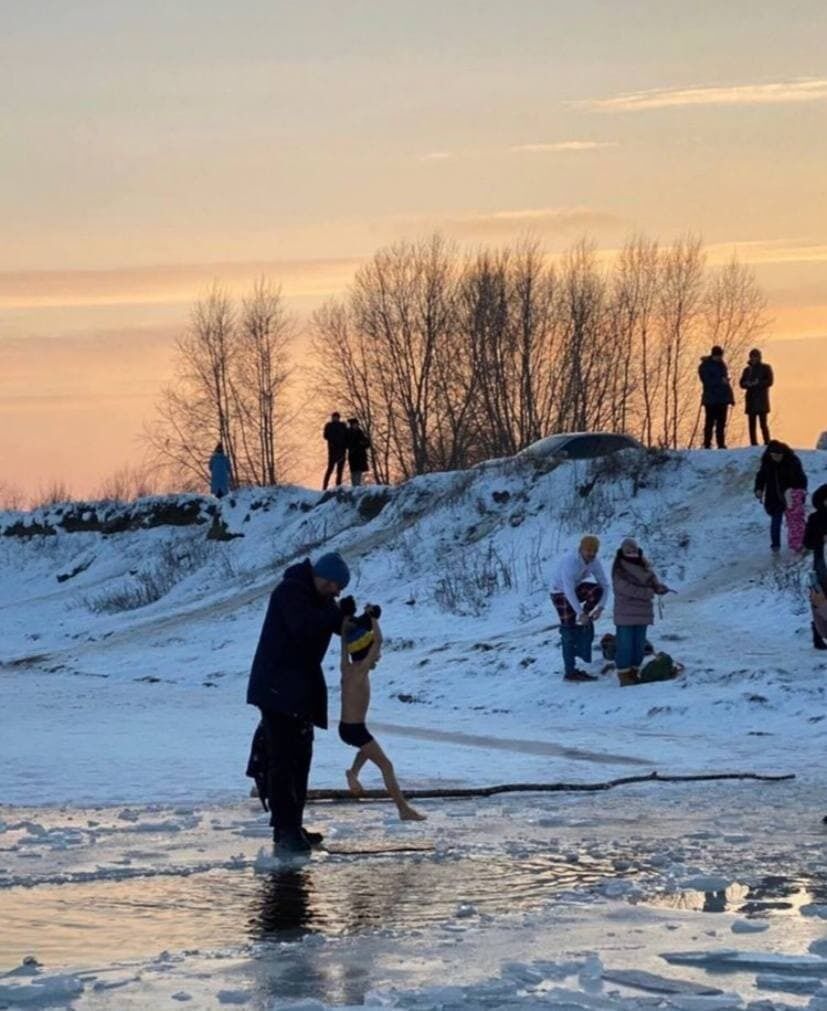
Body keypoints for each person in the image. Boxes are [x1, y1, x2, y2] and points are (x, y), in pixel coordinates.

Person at [246, 551, 356, 854]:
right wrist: (336, 614)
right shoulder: (290, 591)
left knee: (300, 760)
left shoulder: (318, 596)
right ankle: (285, 830)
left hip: (298, 689)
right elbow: (304, 627)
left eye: (340, 590)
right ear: (323, 577)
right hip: (277, 688)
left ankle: (293, 824)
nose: (336, 593)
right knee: (283, 760)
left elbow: (331, 625)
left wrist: (355, 619)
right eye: (335, 586)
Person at [339, 610, 426, 821]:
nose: (379, 655)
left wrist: (344, 628)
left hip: (348, 728)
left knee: (367, 747)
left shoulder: (347, 668)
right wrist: (373, 618)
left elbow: (344, 646)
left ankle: (353, 773)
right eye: (375, 653)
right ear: (367, 651)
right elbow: (378, 640)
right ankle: (403, 809)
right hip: (354, 729)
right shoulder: (360, 670)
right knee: (386, 766)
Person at [549, 536, 609, 682]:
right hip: (559, 592)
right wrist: (580, 613)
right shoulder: (571, 561)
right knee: (568, 631)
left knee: (597, 590)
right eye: (588, 550)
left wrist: (600, 607)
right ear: (581, 549)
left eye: (594, 551)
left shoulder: (594, 562)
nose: (591, 553)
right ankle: (570, 672)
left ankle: (584, 618)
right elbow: (568, 590)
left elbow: (605, 585)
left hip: (574, 589)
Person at [611, 538, 670, 686]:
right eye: (628, 551)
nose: (631, 553)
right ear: (622, 552)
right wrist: (648, 592)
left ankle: (634, 671)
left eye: (634, 551)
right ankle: (624, 675)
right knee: (625, 645)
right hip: (625, 613)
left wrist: (659, 588)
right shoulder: (618, 568)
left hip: (643, 612)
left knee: (638, 646)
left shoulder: (645, 567)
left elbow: (653, 582)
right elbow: (624, 589)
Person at [754, 441, 808, 553]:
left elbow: (801, 478)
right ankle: (775, 545)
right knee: (776, 520)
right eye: (773, 455)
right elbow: (761, 477)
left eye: (778, 455)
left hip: (791, 495)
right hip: (774, 496)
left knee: (795, 520)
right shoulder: (767, 463)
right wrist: (758, 489)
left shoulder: (792, 461)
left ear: (783, 454)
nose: (776, 458)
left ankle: (801, 542)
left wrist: (800, 492)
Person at [698, 345, 735, 449]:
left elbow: (726, 384)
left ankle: (721, 444)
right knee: (709, 423)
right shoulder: (704, 366)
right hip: (711, 399)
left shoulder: (722, 365)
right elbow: (706, 381)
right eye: (718, 356)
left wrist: (730, 398)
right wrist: (720, 381)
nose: (719, 358)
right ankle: (707, 444)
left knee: (721, 424)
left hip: (722, 399)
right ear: (713, 355)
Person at [804, 484, 827, 649]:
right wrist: (821, 540)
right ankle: (818, 632)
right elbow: (808, 542)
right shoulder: (815, 518)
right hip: (822, 562)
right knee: (821, 596)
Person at [739, 348, 774, 446]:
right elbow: (741, 383)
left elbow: (770, 381)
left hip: (762, 400)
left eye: (755, 357)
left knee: (763, 424)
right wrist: (747, 384)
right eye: (752, 357)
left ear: (759, 357)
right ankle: (753, 442)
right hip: (751, 400)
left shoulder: (766, 368)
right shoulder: (747, 370)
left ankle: (767, 441)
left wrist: (758, 383)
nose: (754, 359)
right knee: (752, 424)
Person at [322, 413, 349, 490]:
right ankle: (324, 487)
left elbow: (347, 437)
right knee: (330, 469)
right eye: (334, 417)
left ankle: (338, 487)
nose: (335, 419)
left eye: (336, 417)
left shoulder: (343, 426)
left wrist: (345, 446)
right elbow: (325, 436)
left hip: (341, 451)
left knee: (339, 471)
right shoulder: (329, 425)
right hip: (332, 451)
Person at [346, 418, 372, 487]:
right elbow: (347, 443)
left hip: (360, 455)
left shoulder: (360, 432)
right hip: (353, 454)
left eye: (356, 424)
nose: (356, 426)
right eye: (354, 424)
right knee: (354, 471)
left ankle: (357, 485)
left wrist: (362, 444)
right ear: (352, 425)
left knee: (359, 471)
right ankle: (354, 485)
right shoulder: (348, 433)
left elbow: (367, 443)